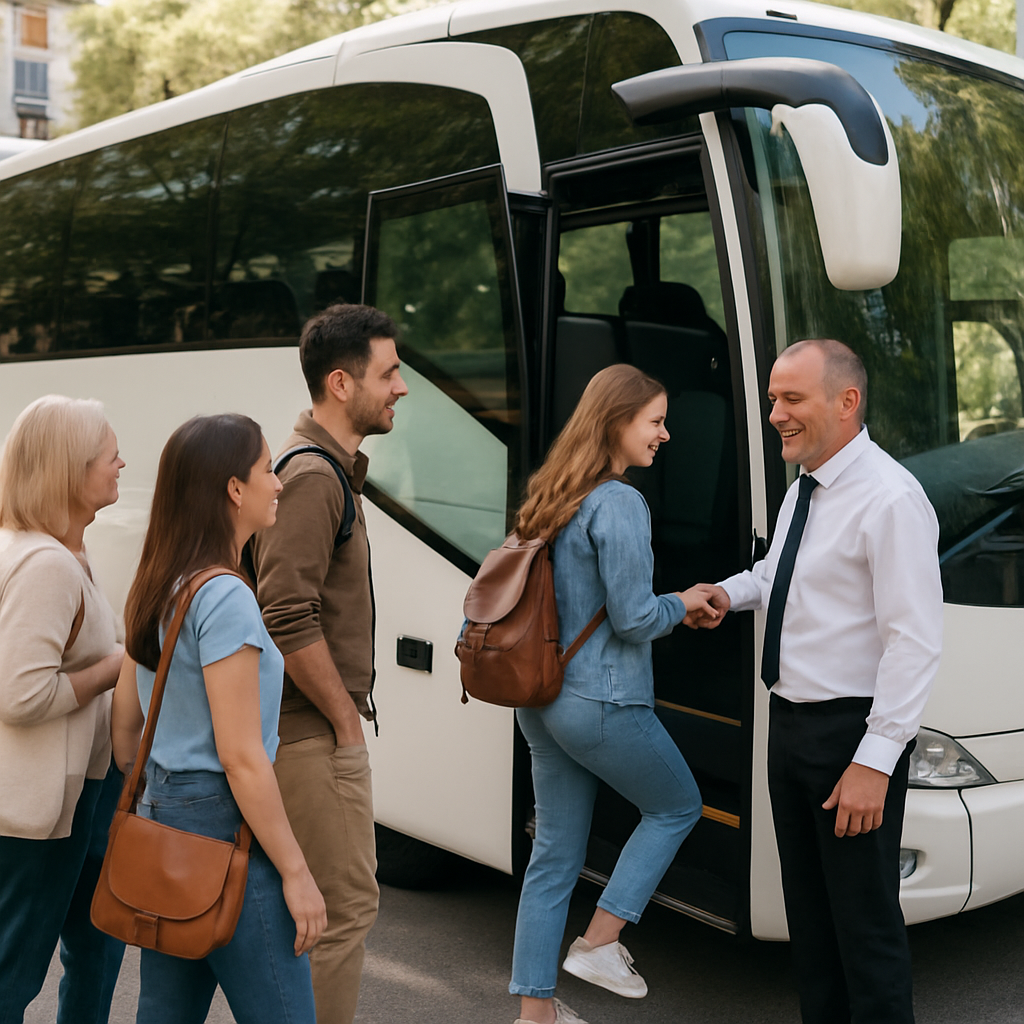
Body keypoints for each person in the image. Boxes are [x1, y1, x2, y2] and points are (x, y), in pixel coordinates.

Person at [689, 339, 943, 1024]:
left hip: (847, 741)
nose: (775, 413)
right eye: (774, 398)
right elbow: (780, 574)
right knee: (811, 923)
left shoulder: (891, 500)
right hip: (792, 727)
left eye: (790, 398)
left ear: (846, 402)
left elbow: (914, 643)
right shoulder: (808, 484)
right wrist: (726, 592)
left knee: (865, 931)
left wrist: (874, 761)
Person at [507, 364, 717, 1024]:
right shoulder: (619, 501)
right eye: (654, 420)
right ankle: (601, 940)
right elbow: (631, 618)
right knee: (678, 805)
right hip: (601, 699)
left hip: (539, 696)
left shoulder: (553, 492)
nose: (665, 433)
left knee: (554, 855)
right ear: (616, 423)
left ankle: (534, 1015)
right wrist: (682, 602)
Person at [110, 414, 326, 1024]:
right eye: (266, 469)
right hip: (224, 829)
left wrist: (172, 790)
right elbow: (241, 756)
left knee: (164, 1012)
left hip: (165, 821)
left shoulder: (161, 581)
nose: (277, 482)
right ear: (234, 489)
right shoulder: (226, 595)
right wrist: (297, 872)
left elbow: (126, 729)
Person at [248, 302, 408, 1024]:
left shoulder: (317, 468)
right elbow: (285, 612)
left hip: (305, 731)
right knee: (342, 913)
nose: (401, 387)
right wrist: (346, 722)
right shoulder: (315, 475)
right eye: (391, 372)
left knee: (311, 915)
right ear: (341, 384)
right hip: (310, 733)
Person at [0, 395, 127, 1024]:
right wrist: (117, 666)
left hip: (70, 796)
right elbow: (20, 696)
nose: (121, 462)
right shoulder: (47, 565)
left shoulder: (52, 549)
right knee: (10, 978)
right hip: (32, 812)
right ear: (69, 472)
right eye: (109, 455)